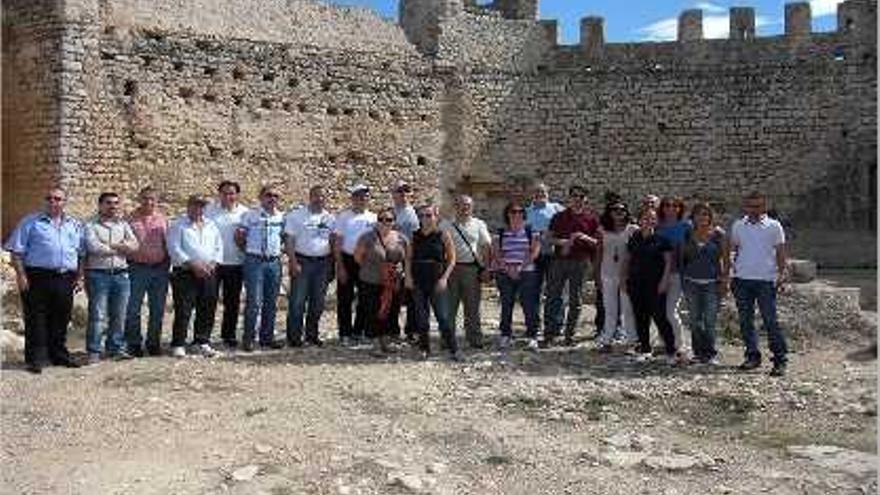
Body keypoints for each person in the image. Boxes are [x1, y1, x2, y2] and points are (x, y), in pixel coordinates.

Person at [4, 187, 85, 373]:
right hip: (37, 276)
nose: (53, 202)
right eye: (49, 198)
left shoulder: (74, 225)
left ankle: (59, 355)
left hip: (66, 277)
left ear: (64, 202)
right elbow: (16, 252)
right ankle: (36, 359)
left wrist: (80, 276)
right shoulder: (30, 222)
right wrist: (21, 275)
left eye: (57, 199)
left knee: (61, 316)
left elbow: (81, 253)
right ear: (44, 201)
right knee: (36, 318)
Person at [729, 191, 789, 376]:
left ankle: (780, 359)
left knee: (770, 320)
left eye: (757, 206)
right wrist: (731, 273)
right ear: (745, 207)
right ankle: (752, 356)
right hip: (742, 280)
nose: (754, 210)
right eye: (750, 206)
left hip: (765, 280)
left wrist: (782, 274)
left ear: (764, 206)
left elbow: (780, 252)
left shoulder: (774, 226)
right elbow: (734, 250)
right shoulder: (738, 225)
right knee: (746, 321)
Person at [84, 192, 139, 363]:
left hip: (121, 274)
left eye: (116, 203)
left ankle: (115, 348)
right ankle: (94, 351)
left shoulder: (123, 224)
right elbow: (93, 247)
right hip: (98, 274)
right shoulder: (90, 225)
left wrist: (113, 246)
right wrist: (121, 248)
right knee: (98, 315)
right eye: (108, 203)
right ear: (100, 205)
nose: (113, 206)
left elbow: (135, 245)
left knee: (119, 314)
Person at [542, 185, 600, 347]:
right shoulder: (559, 217)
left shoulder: (592, 219)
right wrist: (565, 242)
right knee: (553, 296)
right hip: (559, 260)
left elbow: (598, 243)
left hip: (581, 262)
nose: (577, 199)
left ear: (585, 199)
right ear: (570, 198)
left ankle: (570, 334)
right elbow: (549, 239)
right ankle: (550, 333)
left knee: (576, 299)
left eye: (581, 196)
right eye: (574, 196)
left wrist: (584, 238)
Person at [166, 194, 223, 358]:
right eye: (195, 205)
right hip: (185, 273)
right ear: (188, 205)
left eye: (201, 206)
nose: (198, 209)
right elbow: (174, 248)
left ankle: (202, 341)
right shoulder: (178, 225)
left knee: (207, 307)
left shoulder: (211, 225)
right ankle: (178, 343)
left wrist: (212, 264)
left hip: (208, 271)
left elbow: (218, 246)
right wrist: (193, 264)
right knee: (184, 309)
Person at [622, 207, 677, 362]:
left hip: (655, 283)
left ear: (656, 221)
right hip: (636, 283)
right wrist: (623, 279)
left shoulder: (662, 239)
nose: (648, 221)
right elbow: (627, 260)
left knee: (660, 317)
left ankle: (671, 350)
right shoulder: (634, 237)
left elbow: (668, 263)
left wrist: (665, 281)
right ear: (639, 220)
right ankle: (645, 348)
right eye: (645, 218)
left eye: (652, 218)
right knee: (640, 317)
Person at [284, 185, 336, 347]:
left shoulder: (330, 219)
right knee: (297, 301)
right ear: (310, 196)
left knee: (318, 302)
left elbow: (333, 242)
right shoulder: (296, 216)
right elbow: (290, 240)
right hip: (302, 261)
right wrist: (292, 261)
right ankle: (294, 337)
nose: (320, 199)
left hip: (323, 263)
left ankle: (312, 335)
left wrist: (333, 264)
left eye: (323, 196)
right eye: (316, 195)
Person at [406, 204, 458, 360]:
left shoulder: (443, 235)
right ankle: (424, 348)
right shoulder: (414, 236)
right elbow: (408, 258)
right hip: (418, 280)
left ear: (436, 217)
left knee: (443, 317)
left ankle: (452, 349)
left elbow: (452, 259)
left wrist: (444, 278)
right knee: (421, 317)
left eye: (429, 215)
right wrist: (408, 277)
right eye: (421, 216)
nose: (425, 219)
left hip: (437, 280)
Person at [237, 184, 286, 351]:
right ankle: (249, 338)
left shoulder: (281, 217)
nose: (272, 198)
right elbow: (239, 237)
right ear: (261, 197)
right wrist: (250, 252)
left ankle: (267, 337)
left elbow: (285, 238)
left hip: (273, 262)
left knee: (271, 302)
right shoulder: (250, 215)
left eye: (276, 196)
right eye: (268, 195)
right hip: (255, 262)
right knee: (254, 301)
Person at [441, 194, 492, 349]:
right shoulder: (446, 225)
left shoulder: (479, 224)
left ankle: (475, 338)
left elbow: (486, 246)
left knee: (472, 307)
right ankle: (447, 339)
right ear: (455, 206)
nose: (464, 208)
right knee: (449, 307)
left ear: (472, 207)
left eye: (468, 205)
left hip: (471, 269)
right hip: (451, 269)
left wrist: (486, 268)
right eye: (461, 204)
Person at [354, 207, 407, 354]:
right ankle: (375, 341)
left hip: (392, 281)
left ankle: (385, 340)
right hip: (371, 280)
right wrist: (375, 268)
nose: (385, 222)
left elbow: (407, 257)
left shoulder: (401, 238)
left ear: (394, 222)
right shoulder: (367, 237)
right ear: (377, 221)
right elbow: (358, 257)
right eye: (381, 219)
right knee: (373, 311)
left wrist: (399, 271)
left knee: (390, 310)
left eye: (388, 219)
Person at [125, 186, 170, 357]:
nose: (149, 202)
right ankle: (134, 343)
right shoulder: (130, 220)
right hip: (137, 268)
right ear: (139, 199)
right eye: (145, 198)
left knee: (157, 308)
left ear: (157, 201)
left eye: (152, 199)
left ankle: (153, 343)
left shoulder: (163, 220)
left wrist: (167, 265)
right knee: (133, 308)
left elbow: (168, 244)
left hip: (160, 269)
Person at [682, 202, 729, 365]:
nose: (702, 217)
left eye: (705, 214)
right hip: (691, 282)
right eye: (698, 214)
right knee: (694, 320)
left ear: (710, 217)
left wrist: (725, 280)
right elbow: (682, 258)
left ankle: (710, 353)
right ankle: (698, 352)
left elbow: (726, 259)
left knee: (709, 320)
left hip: (712, 283)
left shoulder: (718, 234)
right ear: (693, 217)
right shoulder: (688, 234)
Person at [205, 180, 249, 349]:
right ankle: (204, 336)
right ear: (220, 194)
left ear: (237, 195)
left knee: (232, 302)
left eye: (232, 193)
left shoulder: (245, 213)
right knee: (209, 300)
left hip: (236, 263)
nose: (228, 196)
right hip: (214, 263)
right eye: (225, 193)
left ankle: (228, 335)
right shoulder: (209, 211)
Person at [492, 202, 542, 350]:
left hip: (527, 272)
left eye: (520, 212)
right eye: (513, 212)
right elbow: (496, 252)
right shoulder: (500, 233)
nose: (516, 215)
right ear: (507, 214)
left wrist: (520, 268)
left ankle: (532, 335)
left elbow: (534, 252)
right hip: (505, 273)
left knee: (529, 305)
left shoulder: (530, 232)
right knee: (506, 304)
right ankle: (505, 334)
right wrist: (507, 268)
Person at [335, 184, 377, 346]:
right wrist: (340, 266)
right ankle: (345, 333)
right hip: (347, 259)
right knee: (345, 298)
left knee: (365, 297)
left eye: (365, 196)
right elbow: (338, 242)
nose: (362, 199)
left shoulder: (373, 218)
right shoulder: (344, 217)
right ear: (352, 198)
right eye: (358, 196)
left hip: (367, 262)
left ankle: (359, 331)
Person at [595, 200, 638, 352]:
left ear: (626, 212)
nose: (618, 213)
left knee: (628, 309)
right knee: (610, 309)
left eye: (621, 210)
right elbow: (599, 253)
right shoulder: (602, 230)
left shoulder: (632, 230)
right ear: (609, 212)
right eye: (615, 210)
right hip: (607, 272)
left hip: (626, 275)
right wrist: (596, 275)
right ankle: (607, 339)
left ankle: (632, 340)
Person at [525, 183, 564, 326]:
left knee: (555, 290)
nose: (539, 194)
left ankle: (555, 324)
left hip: (553, 255)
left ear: (548, 193)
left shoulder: (557, 209)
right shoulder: (526, 212)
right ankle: (534, 325)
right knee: (533, 290)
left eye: (542, 191)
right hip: (533, 256)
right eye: (536, 191)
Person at [657, 196, 691, 358]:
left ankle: (680, 344)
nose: (670, 208)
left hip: (677, 274)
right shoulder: (658, 227)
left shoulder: (686, 227)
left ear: (680, 208)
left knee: (671, 311)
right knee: (660, 311)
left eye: (674, 205)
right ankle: (665, 341)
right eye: (667, 205)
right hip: (658, 274)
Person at [389, 180, 419, 341]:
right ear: (393, 194)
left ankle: (411, 330)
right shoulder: (389, 214)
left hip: (413, 260)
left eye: (406, 191)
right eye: (400, 191)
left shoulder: (417, 213)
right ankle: (393, 329)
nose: (403, 194)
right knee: (393, 296)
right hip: (394, 260)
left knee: (413, 297)